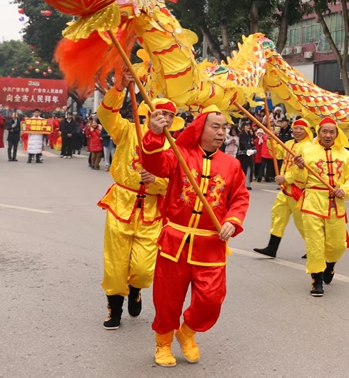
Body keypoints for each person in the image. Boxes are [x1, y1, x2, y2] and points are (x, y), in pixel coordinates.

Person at [142, 105, 250, 367]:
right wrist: (154, 134)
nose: (221, 132)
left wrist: (232, 222)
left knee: (211, 300)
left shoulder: (232, 164)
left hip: (211, 244)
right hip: (175, 242)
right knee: (167, 299)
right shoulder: (179, 154)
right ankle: (163, 343)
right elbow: (154, 163)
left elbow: (240, 198)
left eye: (224, 127)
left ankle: (187, 332)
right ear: (200, 129)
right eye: (216, 126)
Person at [95, 73, 177, 330]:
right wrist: (119, 87)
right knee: (116, 262)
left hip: (152, 210)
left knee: (143, 268)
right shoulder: (128, 131)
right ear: (148, 115)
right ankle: (114, 308)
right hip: (122, 203)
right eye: (158, 114)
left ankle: (135, 289)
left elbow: (179, 181)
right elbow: (105, 115)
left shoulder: (175, 146)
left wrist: (157, 181)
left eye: (169, 115)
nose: (163, 118)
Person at [290, 117, 349, 297]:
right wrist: (299, 168)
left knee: (337, 245)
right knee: (315, 244)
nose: (328, 135)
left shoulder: (345, 154)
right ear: (318, 132)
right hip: (312, 202)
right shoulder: (307, 152)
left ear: (337, 133)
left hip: (336, 204)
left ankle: (330, 264)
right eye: (324, 131)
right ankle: (316, 279)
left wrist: (345, 189)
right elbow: (299, 181)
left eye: (331, 132)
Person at [253, 119, 314, 258]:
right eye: (295, 128)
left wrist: (286, 178)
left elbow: (304, 171)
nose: (297, 131)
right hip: (285, 190)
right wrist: (271, 140)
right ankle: (272, 247)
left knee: (302, 222)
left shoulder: (309, 148)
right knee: (277, 217)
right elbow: (278, 153)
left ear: (307, 131)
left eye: (301, 129)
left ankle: (315, 248)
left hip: (298, 190)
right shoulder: (288, 143)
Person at [237, 122, 254, 191]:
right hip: (243, 153)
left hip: (249, 153)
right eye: (246, 125)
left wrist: (252, 148)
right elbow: (243, 143)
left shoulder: (249, 134)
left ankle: (247, 184)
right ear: (243, 127)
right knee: (243, 169)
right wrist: (249, 148)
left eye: (248, 125)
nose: (248, 127)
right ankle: (242, 183)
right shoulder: (241, 134)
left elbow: (251, 142)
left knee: (249, 168)